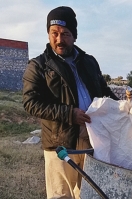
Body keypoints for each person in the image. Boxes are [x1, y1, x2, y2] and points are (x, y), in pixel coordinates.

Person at [22, 6, 119, 199]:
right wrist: (69, 114)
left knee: (90, 193)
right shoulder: (39, 65)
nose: (59, 39)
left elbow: (103, 92)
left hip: (92, 138)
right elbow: (31, 102)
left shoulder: (89, 62)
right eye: (54, 33)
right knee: (61, 195)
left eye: (65, 34)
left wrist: (124, 108)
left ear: (74, 35)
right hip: (60, 142)